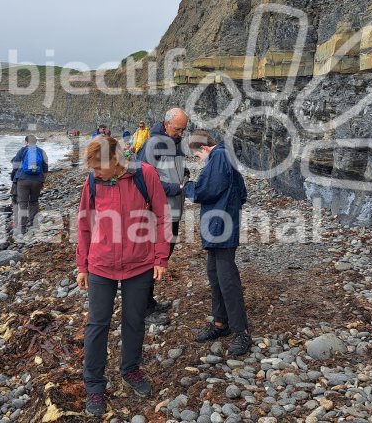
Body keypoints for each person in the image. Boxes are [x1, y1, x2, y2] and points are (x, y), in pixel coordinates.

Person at [76, 136, 171, 417]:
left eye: (98, 168)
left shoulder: (145, 175)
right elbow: (84, 224)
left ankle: (130, 370)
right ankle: (94, 385)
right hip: (101, 265)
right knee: (97, 324)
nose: (94, 174)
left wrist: (160, 257)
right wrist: (82, 265)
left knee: (133, 320)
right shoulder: (93, 183)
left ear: (114, 161)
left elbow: (163, 216)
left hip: (139, 264)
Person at [182, 130, 251, 356]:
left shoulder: (219, 157)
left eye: (197, 156)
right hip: (219, 227)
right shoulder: (226, 157)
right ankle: (221, 323)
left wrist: (188, 187)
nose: (199, 160)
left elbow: (204, 192)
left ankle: (241, 332)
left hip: (220, 228)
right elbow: (242, 192)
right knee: (215, 275)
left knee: (227, 279)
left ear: (203, 148)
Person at [141, 107, 189, 324]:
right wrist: (174, 188)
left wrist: (185, 176)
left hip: (174, 210)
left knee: (162, 255)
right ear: (167, 124)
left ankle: (148, 302)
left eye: (184, 129)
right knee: (152, 259)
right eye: (178, 129)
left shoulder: (175, 142)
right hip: (159, 213)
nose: (181, 133)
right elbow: (143, 179)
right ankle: (142, 308)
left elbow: (177, 170)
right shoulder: (153, 144)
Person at [10, 135, 49, 235]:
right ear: (36, 142)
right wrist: (42, 180)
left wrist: (14, 178)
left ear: (26, 142)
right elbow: (45, 167)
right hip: (37, 181)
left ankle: (22, 228)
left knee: (22, 203)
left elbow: (15, 164)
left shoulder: (23, 150)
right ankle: (33, 225)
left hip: (23, 180)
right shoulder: (41, 151)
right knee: (34, 202)